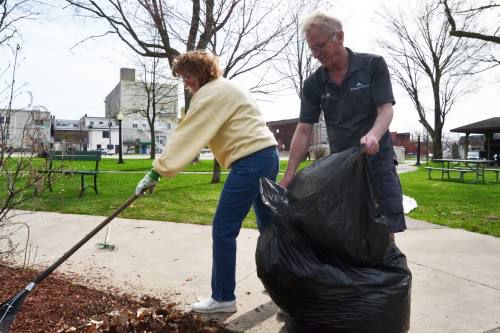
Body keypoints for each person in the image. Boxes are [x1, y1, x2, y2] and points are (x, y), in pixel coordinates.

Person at [135, 50, 279, 314]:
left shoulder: (209, 94)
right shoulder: (228, 87)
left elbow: (185, 136)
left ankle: (223, 297)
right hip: (268, 155)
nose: (186, 83)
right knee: (270, 227)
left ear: (201, 73)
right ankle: (286, 288)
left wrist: (156, 172)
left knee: (224, 227)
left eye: (188, 76)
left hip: (249, 160)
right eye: (183, 78)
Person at [280, 12, 406, 237]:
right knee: (350, 231)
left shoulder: (372, 66)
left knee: (384, 230)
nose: (315, 55)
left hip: (378, 162)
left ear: (339, 37)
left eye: (320, 47)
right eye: (311, 49)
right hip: (343, 169)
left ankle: (388, 269)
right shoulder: (314, 84)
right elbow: (304, 129)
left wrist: (374, 135)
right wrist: (290, 173)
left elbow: (385, 110)